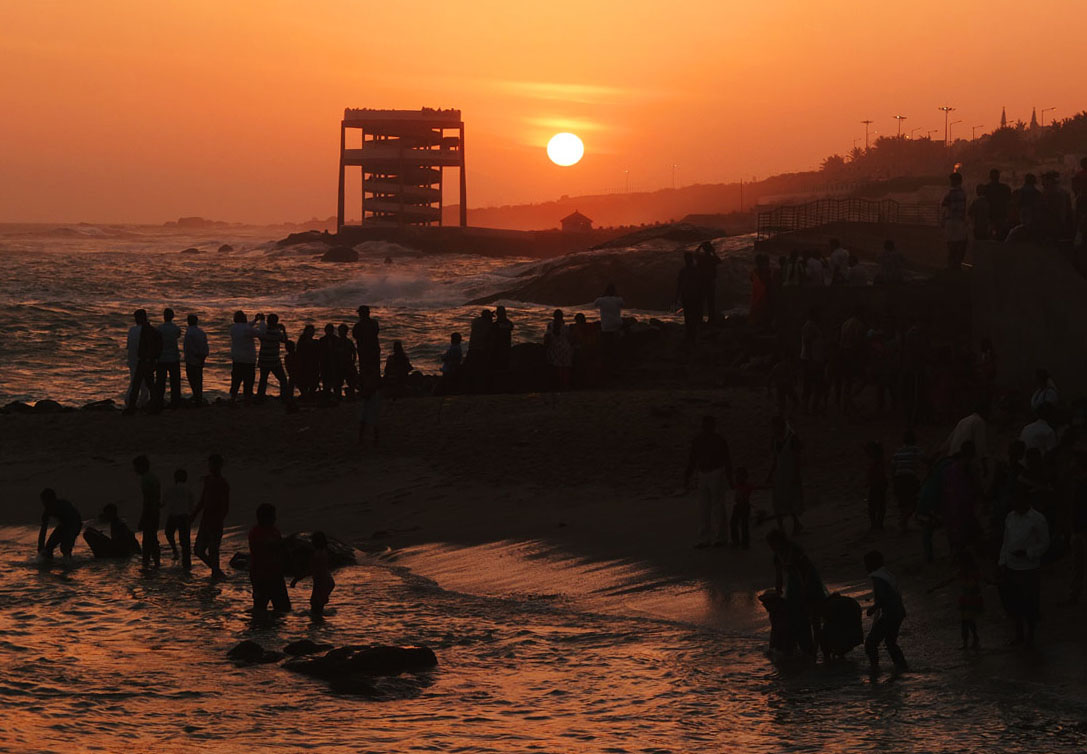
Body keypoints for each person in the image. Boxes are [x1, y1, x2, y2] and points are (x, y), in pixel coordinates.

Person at [999, 488, 1050, 646]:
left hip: (1029, 568)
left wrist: (1028, 553)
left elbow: (1045, 543)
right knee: (1014, 603)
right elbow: (1006, 541)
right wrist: (1002, 562)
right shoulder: (1010, 517)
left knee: (1030, 603)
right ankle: (1019, 634)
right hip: (1011, 566)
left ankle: (1031, 635)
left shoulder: (1037, 519)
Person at [767, 529, 826, 657]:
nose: (771, 547)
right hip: (794, 583)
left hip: (809, 580)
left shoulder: (794, 550)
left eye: (773, 544)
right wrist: (778, 591)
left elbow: (804, 571)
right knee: (796, 614)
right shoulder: (777, 555)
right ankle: (804, 646)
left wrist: (805, 589)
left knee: (814, 615)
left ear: (780, 541)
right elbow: (779, 576)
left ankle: (817, 649)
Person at [684, 416, 734, 548]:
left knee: (715, 505)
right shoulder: (704, 440)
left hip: (714, 472)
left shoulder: (716, 440)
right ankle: (708, 538)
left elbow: (726, 459)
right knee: (706, 507)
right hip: (706, 473)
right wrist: (688, 475)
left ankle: (718, 537)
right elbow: (692, 459)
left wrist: (729, 476)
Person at [863, 550, 908, 675]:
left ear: (873, 564)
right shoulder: (887, 574)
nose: (866, 567)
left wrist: (872, 609)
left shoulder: (878, 578)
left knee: (871, 643)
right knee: (890, 642)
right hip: (898, 613)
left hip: (890, 614)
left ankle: (874, 669)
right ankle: (902, 667)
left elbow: (883, 598)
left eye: (867, 564)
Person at [192, 453, 229, 578]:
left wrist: (219, 521)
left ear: (219, 466)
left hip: (215, 521)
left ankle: (216, 572)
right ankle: (217, 571)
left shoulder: (223, 483)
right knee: (198, 550)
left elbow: (225, 506)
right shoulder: (208, 480)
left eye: (213, 464)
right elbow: (203, 500)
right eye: (210, 464)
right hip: (205, 520)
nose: (211, 467)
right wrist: (194, 515)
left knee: (213, 551)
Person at [249, 503, 290, 612]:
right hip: (261, 576)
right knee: (260, 608)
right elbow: (266, 546)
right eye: (272, 516)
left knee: (283, 609)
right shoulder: (256, 533)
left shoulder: (274, 531)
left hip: (276, 574)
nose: (275, 519)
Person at [768, 416, 804, 534]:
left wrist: (797, 474)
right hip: (779, 474)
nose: (774, 429)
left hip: (790, 473)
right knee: (777, 500)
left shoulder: (792, 438)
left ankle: (795, 523)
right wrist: (770, 474)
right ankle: (781, 527)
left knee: (790, 499)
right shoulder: (774, 439)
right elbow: (774, 458)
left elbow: (798, 458)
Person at [124, 309, 162, 415]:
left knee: (136, 383)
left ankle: (132, 405)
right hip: (145, 360)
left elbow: (131, 347)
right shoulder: (152, 330)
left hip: (138, 360)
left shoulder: (133, 330)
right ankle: (145, 403)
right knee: (147, 384)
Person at [290, 531, 335, 617]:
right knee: (317, 607)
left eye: (314, 540)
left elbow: (310, 570)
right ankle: (319, 626)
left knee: (316, 608)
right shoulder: (323, 552)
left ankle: (317, 626)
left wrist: (296, 580)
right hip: (326, 581)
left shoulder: (317, 555)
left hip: (322, 583)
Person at [890, 430, 923, 531]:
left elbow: (893, 466)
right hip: (910, 478)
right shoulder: (915, 450)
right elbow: (924, 458)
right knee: (915, 501)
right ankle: (903, 520)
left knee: (903, 503)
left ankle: (903, 523)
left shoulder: (898, 452)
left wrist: (893, 479)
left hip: (898, 478)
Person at [132, 455, 161, 570]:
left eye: (136, 467)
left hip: (151, 512)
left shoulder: (145, 479)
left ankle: (146, 564)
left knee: (148, 540)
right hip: (155, 512)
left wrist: (143, 518)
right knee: (152, 539)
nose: (135, 470)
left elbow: (147, 501)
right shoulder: (153, 477)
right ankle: (155, 563)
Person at [37, 488, 82, 561]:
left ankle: (68, 565)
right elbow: (43, 529)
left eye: (45, 501)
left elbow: (75, 520)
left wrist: (68, 537)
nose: (43, 504)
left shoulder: (64, 505)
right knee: (48, 548)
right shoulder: (47, 511)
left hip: (74, 525)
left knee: (65, 549)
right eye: (43, 501)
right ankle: (48, 566)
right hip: (63, 525)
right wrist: (40, 547)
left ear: (52, 500)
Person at [162, 468, 193, 570]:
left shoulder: (170, 488)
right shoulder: (188, 489)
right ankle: (187, 564)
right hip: (184, 516)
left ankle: (175, 550)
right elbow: (191, 504)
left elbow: (163, 503)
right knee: (185, 542)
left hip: (173, 515)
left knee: (169, 533)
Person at [256, 313, 289, 403]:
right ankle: (284, 397)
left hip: (264, 360)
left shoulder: (263, 332)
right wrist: (284, 330)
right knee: (283, 379)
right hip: (274, 361)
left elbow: (261, 333)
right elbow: (285, 340)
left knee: (263, 380)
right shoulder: (277, 333)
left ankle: (260, 398)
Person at [228, 311, 259, 404]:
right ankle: (247, 399)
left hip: (237, 358)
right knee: (248, 380)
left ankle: (232, 398)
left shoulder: (233, 328)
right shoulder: (248, 329)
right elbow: (260, 333)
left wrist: (255, 321)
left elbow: (246, 327)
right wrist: (261, 322)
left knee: (236, 380)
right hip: (248, 358)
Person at [800, 308, 827, 414]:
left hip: (813, 359)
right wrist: (811, 358)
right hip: (811, 360)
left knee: (813, 383)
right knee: (813, 383)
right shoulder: (809, 326)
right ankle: (810, 407)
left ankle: (810, 406)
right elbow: (807, 343)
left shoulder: (812, 326)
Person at [155, 308, 183, 408]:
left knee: (160, 382)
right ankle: (175, 401)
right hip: (173, 357)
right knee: (175, 382)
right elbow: (178, 336)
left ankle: (159, 401)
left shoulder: (159, 329)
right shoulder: (176, 328)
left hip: (162, 358)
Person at [594, 284, 624, 374]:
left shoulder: (601, 300)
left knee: (606, 350)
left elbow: (595, 304)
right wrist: (616, 295)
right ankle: (616, 369)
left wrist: (603, 295)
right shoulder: (618, 300)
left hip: (606, 327)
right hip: (617, 326)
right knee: (615, 350)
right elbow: (623, 304)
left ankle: (607, 369)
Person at [941, 172, 969, 270]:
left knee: (952, 246)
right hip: (959, 222)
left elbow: (944, 206)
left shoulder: (949, 194)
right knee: (960, 245)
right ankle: (956, 266)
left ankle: (952, 267)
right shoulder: (963, 193)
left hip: (951, 222)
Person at [676, 253, 703, 342]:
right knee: (691, 315)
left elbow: (679, 285)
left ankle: (691, 335)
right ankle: (691, 335)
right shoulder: (695, 270)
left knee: (690, 315)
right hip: (691, 295)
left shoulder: (685, 271)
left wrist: (676, 297)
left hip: (690, 295)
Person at [730, 466, 759, 548]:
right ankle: (736, 541)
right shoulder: (737, 486)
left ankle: (744, 542)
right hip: (738, 506)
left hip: (744, 506)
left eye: (739, 476)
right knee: (734, 523)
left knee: (743, 525)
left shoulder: (747, 486)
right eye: (737, 476)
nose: (737, 478)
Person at [125, 310, 149, 410]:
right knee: (144, 384)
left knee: (134, 382)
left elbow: (129, 346)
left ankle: (130, 401)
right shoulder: (146, 330)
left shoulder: (132, 330)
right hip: (142, 360)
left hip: (133, 360)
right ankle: (142, 403)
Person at [183, 314, 209, 406]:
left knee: (192, 379)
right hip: (200, 358)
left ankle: (196, 396)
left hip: (191, 359)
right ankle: (199, 397)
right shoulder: (201, 332)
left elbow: (188, 347)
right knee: (199, 379)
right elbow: (205, 347)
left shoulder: (189, 333)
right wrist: (203, 356)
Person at [544, 309, 573, 390]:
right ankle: (565, 385)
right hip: (565, 348)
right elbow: (570, 339)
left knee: (557, 368)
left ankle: (558, 385)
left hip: (554, 349)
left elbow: (547, 337)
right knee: (565, 368)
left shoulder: (550, 325)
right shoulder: (566, 327)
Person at [466, 309, 494, 392]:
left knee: (471, 370)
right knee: (480, 370)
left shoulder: (475, 321)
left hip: (472, 348)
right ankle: (479, 388)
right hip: (481, 350)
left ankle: (469, 388)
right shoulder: (488, 324)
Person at [352, 305, 381, 385]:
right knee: (374, 371)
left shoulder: (358, 326)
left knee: (365, 371)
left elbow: (355, 336)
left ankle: (366, 389)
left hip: (365, 352)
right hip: (373, 351)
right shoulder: (374, 323)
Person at [864, 441, 888, 531]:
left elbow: (876, 474)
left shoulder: (877, 461)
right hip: (879, 485)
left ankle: (875, 524)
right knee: (879, 505)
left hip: (877, 485)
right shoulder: (878, 461)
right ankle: (878, 524)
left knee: (874, 506)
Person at [983, 168, 1012, 241]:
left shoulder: (986, 189)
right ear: (999, 177)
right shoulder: (1005, 188)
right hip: (1002, 217)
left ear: (990, 177)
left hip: (990, 217)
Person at [696, 241, 720, 323]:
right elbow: (719, 260)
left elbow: (695, 254)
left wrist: (699, 247)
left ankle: (699, 319)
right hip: (710, 282)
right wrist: (713, 252)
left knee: (701, 301)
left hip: (701, 282)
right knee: (711, 302)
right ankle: (711, 319)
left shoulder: (701, 258)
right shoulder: (712, 258)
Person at [490, 306, 514, 386]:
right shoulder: (509, 323)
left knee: (497, 367)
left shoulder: (496, 325)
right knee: (505, 366)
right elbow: (511, 327)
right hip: (506, 347)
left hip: (497, 348)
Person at [296, 324, 321, 400]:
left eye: (312, 331)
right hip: (305, 365)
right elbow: (299, 354)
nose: (311, 333)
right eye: (309, 331)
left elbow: (319, 354)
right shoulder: (302, 343)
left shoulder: (316, 342)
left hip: (314, 364)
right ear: (306, 332)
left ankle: (310, 395)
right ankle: (305, 395)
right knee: (304, 382)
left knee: (313, 382)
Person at [335, 323, 359, 398]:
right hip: (339, 364)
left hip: (348, 364)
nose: (341, 333)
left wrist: (352, 362)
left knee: (351, 381)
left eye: (343, 331)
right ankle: (338, 396)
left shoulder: (349, 342)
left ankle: (351, 394)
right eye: (340, 331)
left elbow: (354, 353)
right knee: (338, 382)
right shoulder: (336, 342)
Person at [318, 323, 341, 400]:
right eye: (328, 330)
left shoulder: (337, 340)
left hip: (335, 363)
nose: (329, 332)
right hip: (325, 363)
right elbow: (320, 353)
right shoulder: (322, 340)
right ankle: (327, 396)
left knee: (336, 382)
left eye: (330, 330)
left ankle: (337, 396)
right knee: (326, 380)